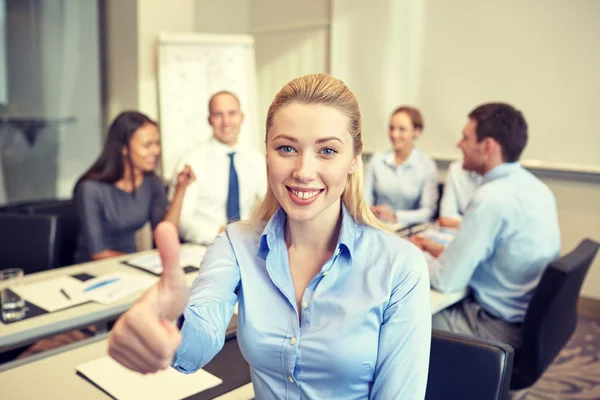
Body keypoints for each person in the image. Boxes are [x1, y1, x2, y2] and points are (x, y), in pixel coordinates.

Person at [108, 74, 431, 399]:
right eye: (287, 148)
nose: (304, 171)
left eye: (328, 151)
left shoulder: (399, 266)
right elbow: (198, 342)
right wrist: (170, 322)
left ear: (353, 161)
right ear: (267, 154)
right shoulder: (236, 244)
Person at [412, 103, 560, 349]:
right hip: (526, 320)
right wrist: (436, 251)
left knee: (407, 319)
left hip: (497, 327)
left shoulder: (491, 198)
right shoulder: (538, 188)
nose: (459, 144)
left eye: (465, 137)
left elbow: (445, 281)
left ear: (488, 147)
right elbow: (492, 258)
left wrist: (408, 255)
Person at [73, 111, 194, 263]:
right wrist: (143, 261)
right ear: (124, 148)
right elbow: (98, 253)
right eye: (147, 145)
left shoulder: (152, 182)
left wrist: (181, 189)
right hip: (94, 269)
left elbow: (164, 235)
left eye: (157, 143)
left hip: (131, 264)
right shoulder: (90, 189)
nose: (155, 151)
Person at [171, 91, 267, 245]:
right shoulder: (191, 161)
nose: (226, 121)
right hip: (204, 247)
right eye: (218, 115)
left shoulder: (256, 159)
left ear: (242, 117)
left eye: (232, 113)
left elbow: (269, 203)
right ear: (209, 120)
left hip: (245, 244)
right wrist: (220, 234)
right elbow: (181, 218)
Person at [364, 106, 439, 227]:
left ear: (417, 132)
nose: (394, 134)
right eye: (391, 128)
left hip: (408, 231)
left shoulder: (427, 166)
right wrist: (369, 211)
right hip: (376, 227)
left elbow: (428, 212)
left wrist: (395, 216)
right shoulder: (376, 161)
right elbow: (363, 201)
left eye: (402, 129)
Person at [437, 159, 482, 228]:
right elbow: (446, 218)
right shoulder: (455, 168)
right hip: (456, 233)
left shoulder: (500, 177)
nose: (458, 147)